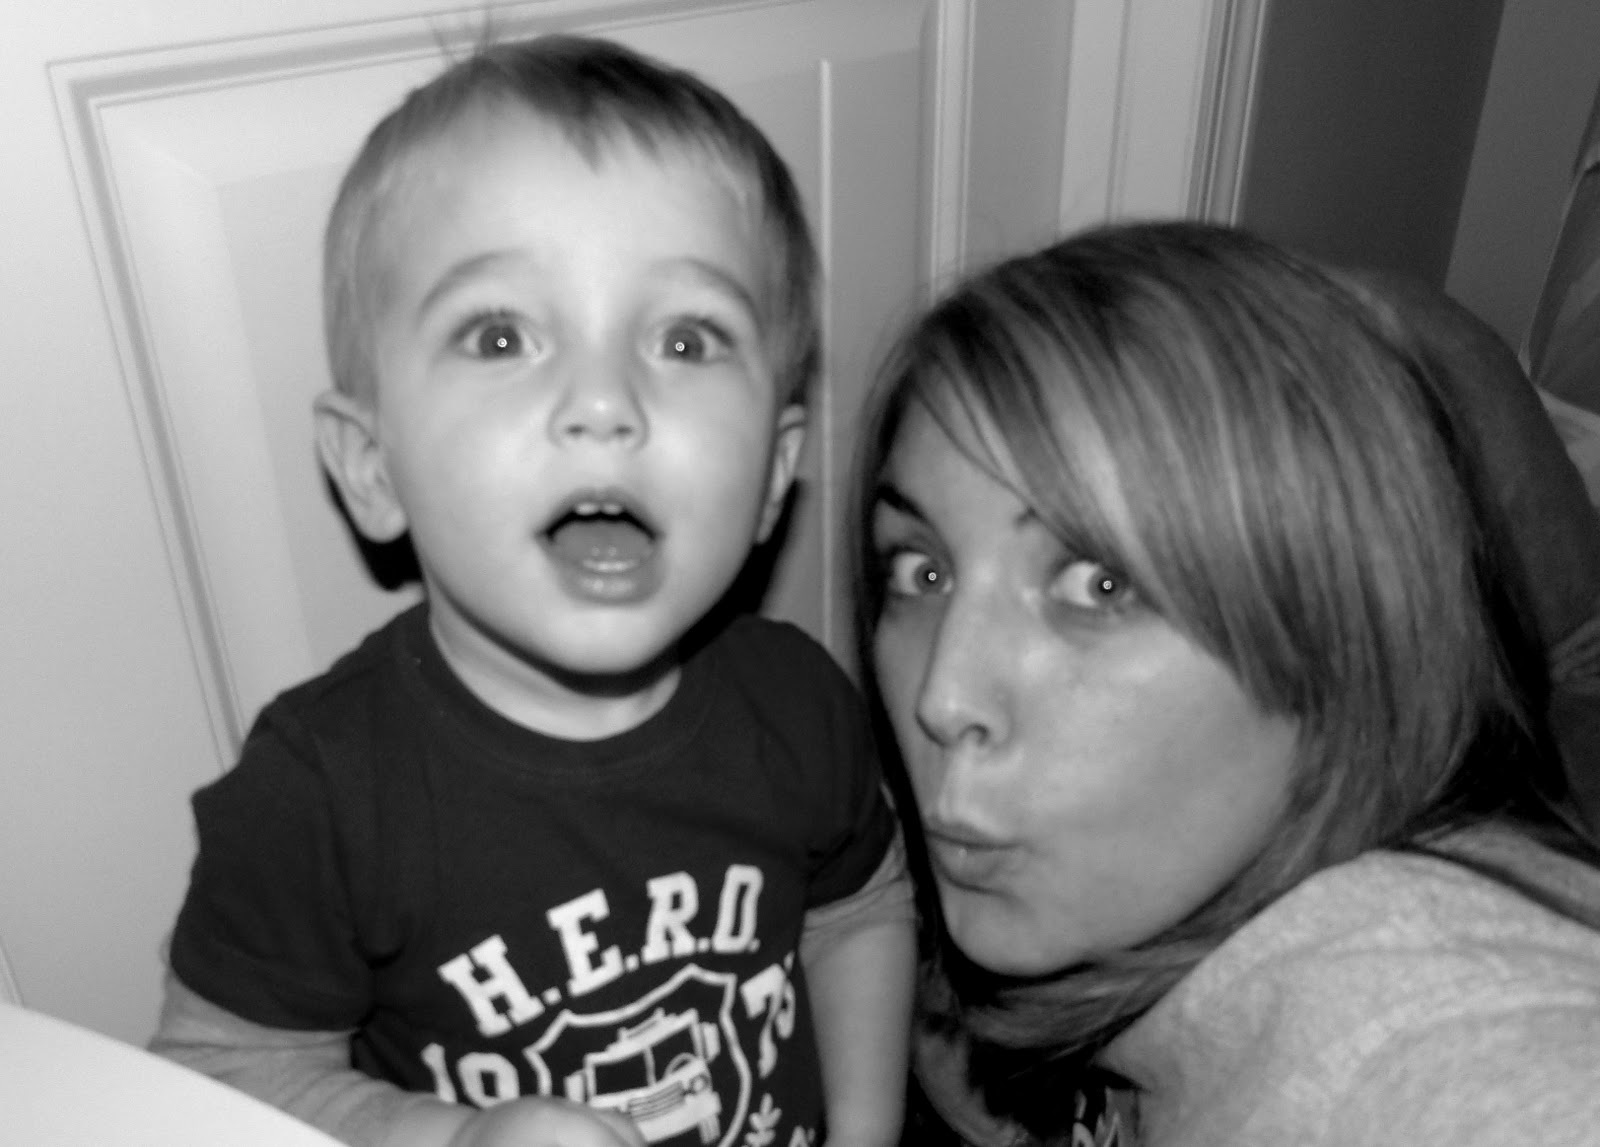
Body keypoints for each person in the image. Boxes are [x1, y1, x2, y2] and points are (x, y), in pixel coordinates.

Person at [150, 35, 914, 1147]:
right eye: (501, 334)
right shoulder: (318, 794)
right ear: (372, 466)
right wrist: (453, 1139)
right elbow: (218, 1074)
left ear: (772, 476)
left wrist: (865, 1129)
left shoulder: (798, 703)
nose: (604, 402)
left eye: (686, 338)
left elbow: (860, 909)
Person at [854, 221, 1600, 1146]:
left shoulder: (1425, 1051)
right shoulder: (1151, 907)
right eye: (922, 570)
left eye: (1100, 584)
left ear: (1338, 636)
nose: (941, 697)